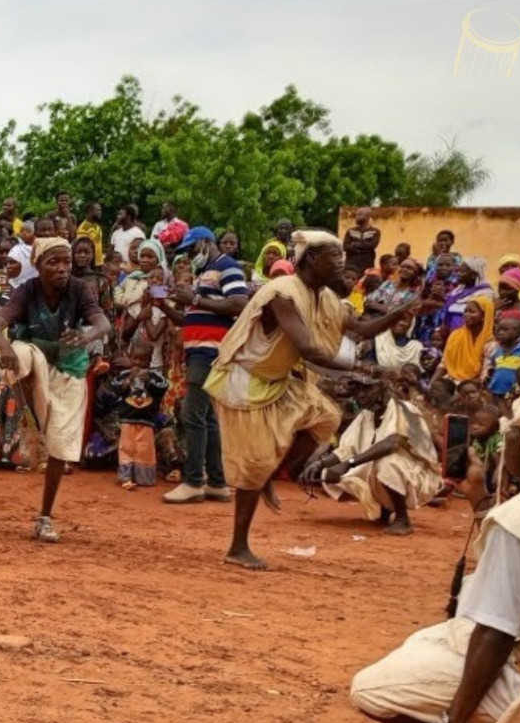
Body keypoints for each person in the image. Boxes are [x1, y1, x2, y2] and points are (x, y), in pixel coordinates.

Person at [351, 381, 520, 723]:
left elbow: (496, 631)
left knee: (374, 690)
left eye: (512, 433)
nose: (504, 441)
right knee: (430, 638)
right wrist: (481, 500)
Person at [204, 230, 417, 570]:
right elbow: (308, 349)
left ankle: (271, 474)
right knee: (255, 466)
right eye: (335, 256)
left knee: (325, 418)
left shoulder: (325, 297)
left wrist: (400, 311)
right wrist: (367, 369)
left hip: (276, 380)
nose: (342, 262)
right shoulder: (282, 293)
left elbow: (360, 330)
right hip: (244, 381)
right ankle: (238, 546)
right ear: (313, 259)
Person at [0, 237, 112, 540]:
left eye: (66, 261)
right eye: (53, 262)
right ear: (38, 265)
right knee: (19, 355)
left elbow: (103, 323)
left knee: (59, 446)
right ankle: (24, 410)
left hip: (69, 368)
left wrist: (86, 337)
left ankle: (45, 516)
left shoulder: (79, 289)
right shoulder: (27, 290)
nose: (62, 268)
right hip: (36, 358)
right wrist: (4, 347)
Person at [155, 226, 247, 505]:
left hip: (210, 351)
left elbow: (239, 303)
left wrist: (194, 299)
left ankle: (194, 481)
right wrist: (164, 305)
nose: (189, 255)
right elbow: (190, 319)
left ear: (206, 242)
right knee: (206, 418)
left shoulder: (227, 267)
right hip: (199, 349)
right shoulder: (204, 273)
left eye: (192, 249)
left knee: (192, 414)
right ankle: (217, 482)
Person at [303, 376, 440, 535]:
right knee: (330, 472)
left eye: (367, 388)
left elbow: (393, 442)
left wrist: (348, 463)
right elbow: (345, 450)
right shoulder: (366, 414)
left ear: (383, 387)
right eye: (358, 389)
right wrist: (319, 464)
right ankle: (385, 512)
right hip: (398, 470)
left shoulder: (404, 409)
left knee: (387, 463)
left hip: (420, 475)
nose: (361, 394)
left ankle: (402, 519)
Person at [110, 339, 169, 490]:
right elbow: (115, 387)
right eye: (135, 358)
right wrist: (129, 379)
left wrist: (149, 381)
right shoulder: (124, 374)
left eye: (143, 360)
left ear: (150, 360)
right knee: (126, 448)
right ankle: (126, 477)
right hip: (128, 419)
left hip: (146, 420)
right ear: (130, 357)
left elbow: (163, 387)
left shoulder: (154, 376)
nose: (138, 362)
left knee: (144, 449)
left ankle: (144, 478)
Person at [431, 297, 495, 388]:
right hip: (450, 382)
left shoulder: (491, 343)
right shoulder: (455, 335)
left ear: (484, 316)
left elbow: (485, 376)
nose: (466, 314)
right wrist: (431, 384)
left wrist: (460, 388)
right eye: (465, 311)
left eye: (472, 312)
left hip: (473, 387)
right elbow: (443, 364)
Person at [441, 257, 495, 337]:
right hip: (452, 334)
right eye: (458, 271)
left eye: (462, 272)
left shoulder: (485, 293)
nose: (458, 274)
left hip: (472, 335)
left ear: (474, 275)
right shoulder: (456, 292)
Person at [487, 315, 520, 400]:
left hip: (515, 393)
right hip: (495, 391)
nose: (500, 333)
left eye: (505, 330)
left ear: (518, 333)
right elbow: (495, 370)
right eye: (498, 330)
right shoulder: (497, 352)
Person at [344, 207, 381, 274]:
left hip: (367, 266)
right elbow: (345, 247)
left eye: (359, 215)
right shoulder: (350, 231)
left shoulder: (375, 231)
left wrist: (355, 245)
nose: (356, 217)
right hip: (351, 266)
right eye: (356, 215)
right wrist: (364, 248)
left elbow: (372, 245)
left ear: (367, 216)